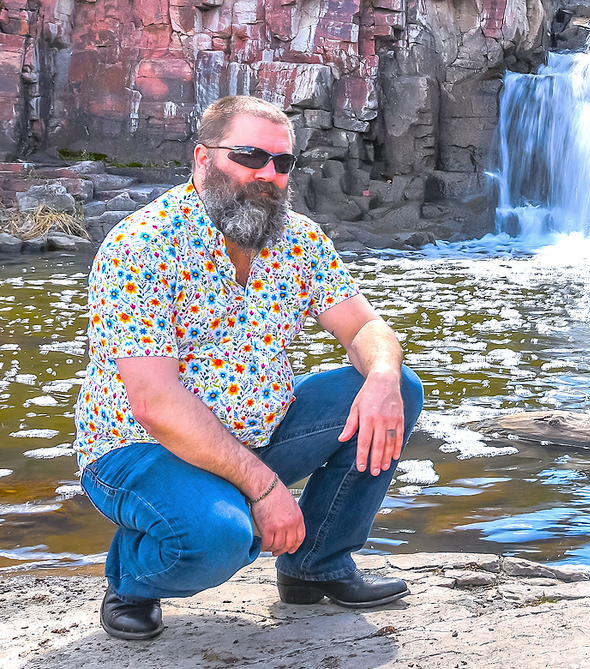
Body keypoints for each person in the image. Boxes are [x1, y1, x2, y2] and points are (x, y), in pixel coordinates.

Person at [73, 95, 424, 641]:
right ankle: (132, 579)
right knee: (219, 539)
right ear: (202, 158)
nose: (268, 175)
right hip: (141, 449)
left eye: (282, 163)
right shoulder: (140, 245)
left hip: (259, 432)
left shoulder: (299, 240)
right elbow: (155, 404)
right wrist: (264, 490)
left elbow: (364, 329)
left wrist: (381, 378)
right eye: (250, 156)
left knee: (398, 383)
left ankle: (317, 563)